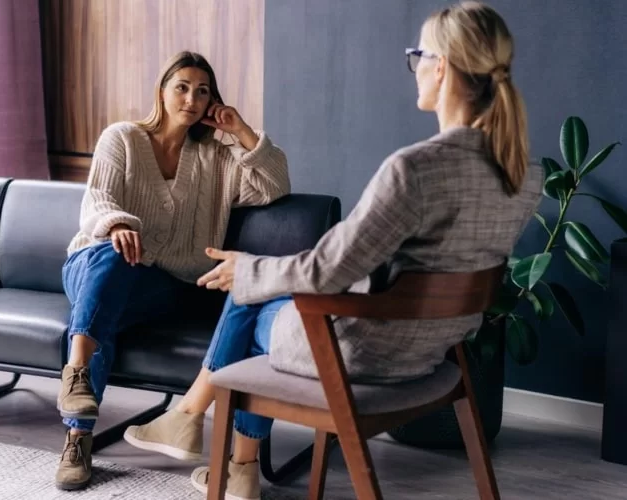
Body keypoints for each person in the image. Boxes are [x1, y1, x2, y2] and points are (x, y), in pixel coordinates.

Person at [123, 2, 544, 498]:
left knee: (248, 298)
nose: (415, 70)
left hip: (365, 353)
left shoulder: (416, 169)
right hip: (433, 353)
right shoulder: (523, 173)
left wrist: (249, 270)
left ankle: (210, 440)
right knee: (258, 289)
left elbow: (329, 270)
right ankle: (225, 456)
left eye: (417, 56)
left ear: (441, 67)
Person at [54, 51, 291, 490]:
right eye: (181, 86)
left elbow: (274, 188)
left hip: (166, 284)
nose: (191, 98)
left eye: (202, 91)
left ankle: (78, 422)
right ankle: (78, 403)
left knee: (110, 299)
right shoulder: (121, 138)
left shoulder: (218, 158)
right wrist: (119, 224)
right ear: (162, 92)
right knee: (113, 260)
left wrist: (241, 131)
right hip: (93, 263)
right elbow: (97, 201)